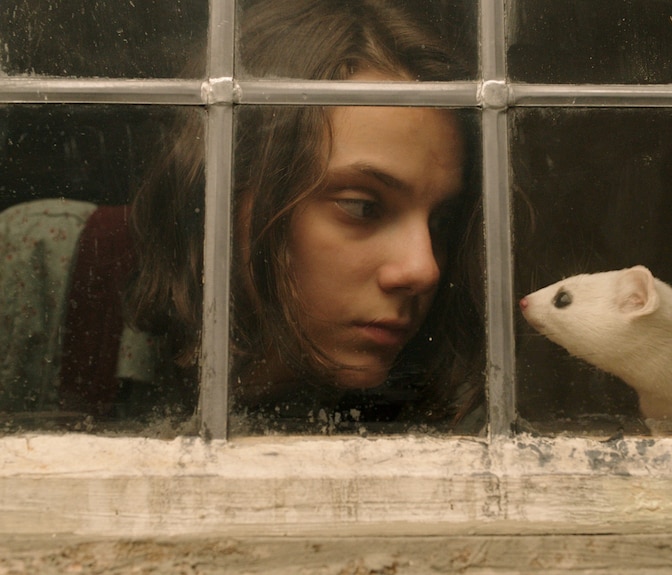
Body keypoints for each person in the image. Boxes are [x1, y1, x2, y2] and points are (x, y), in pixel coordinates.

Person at [0, 0, 485, 433]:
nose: (424, 270)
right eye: (362, 207)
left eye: (440, 221)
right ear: (226, 189)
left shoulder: (454, 395)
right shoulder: (48, 263)